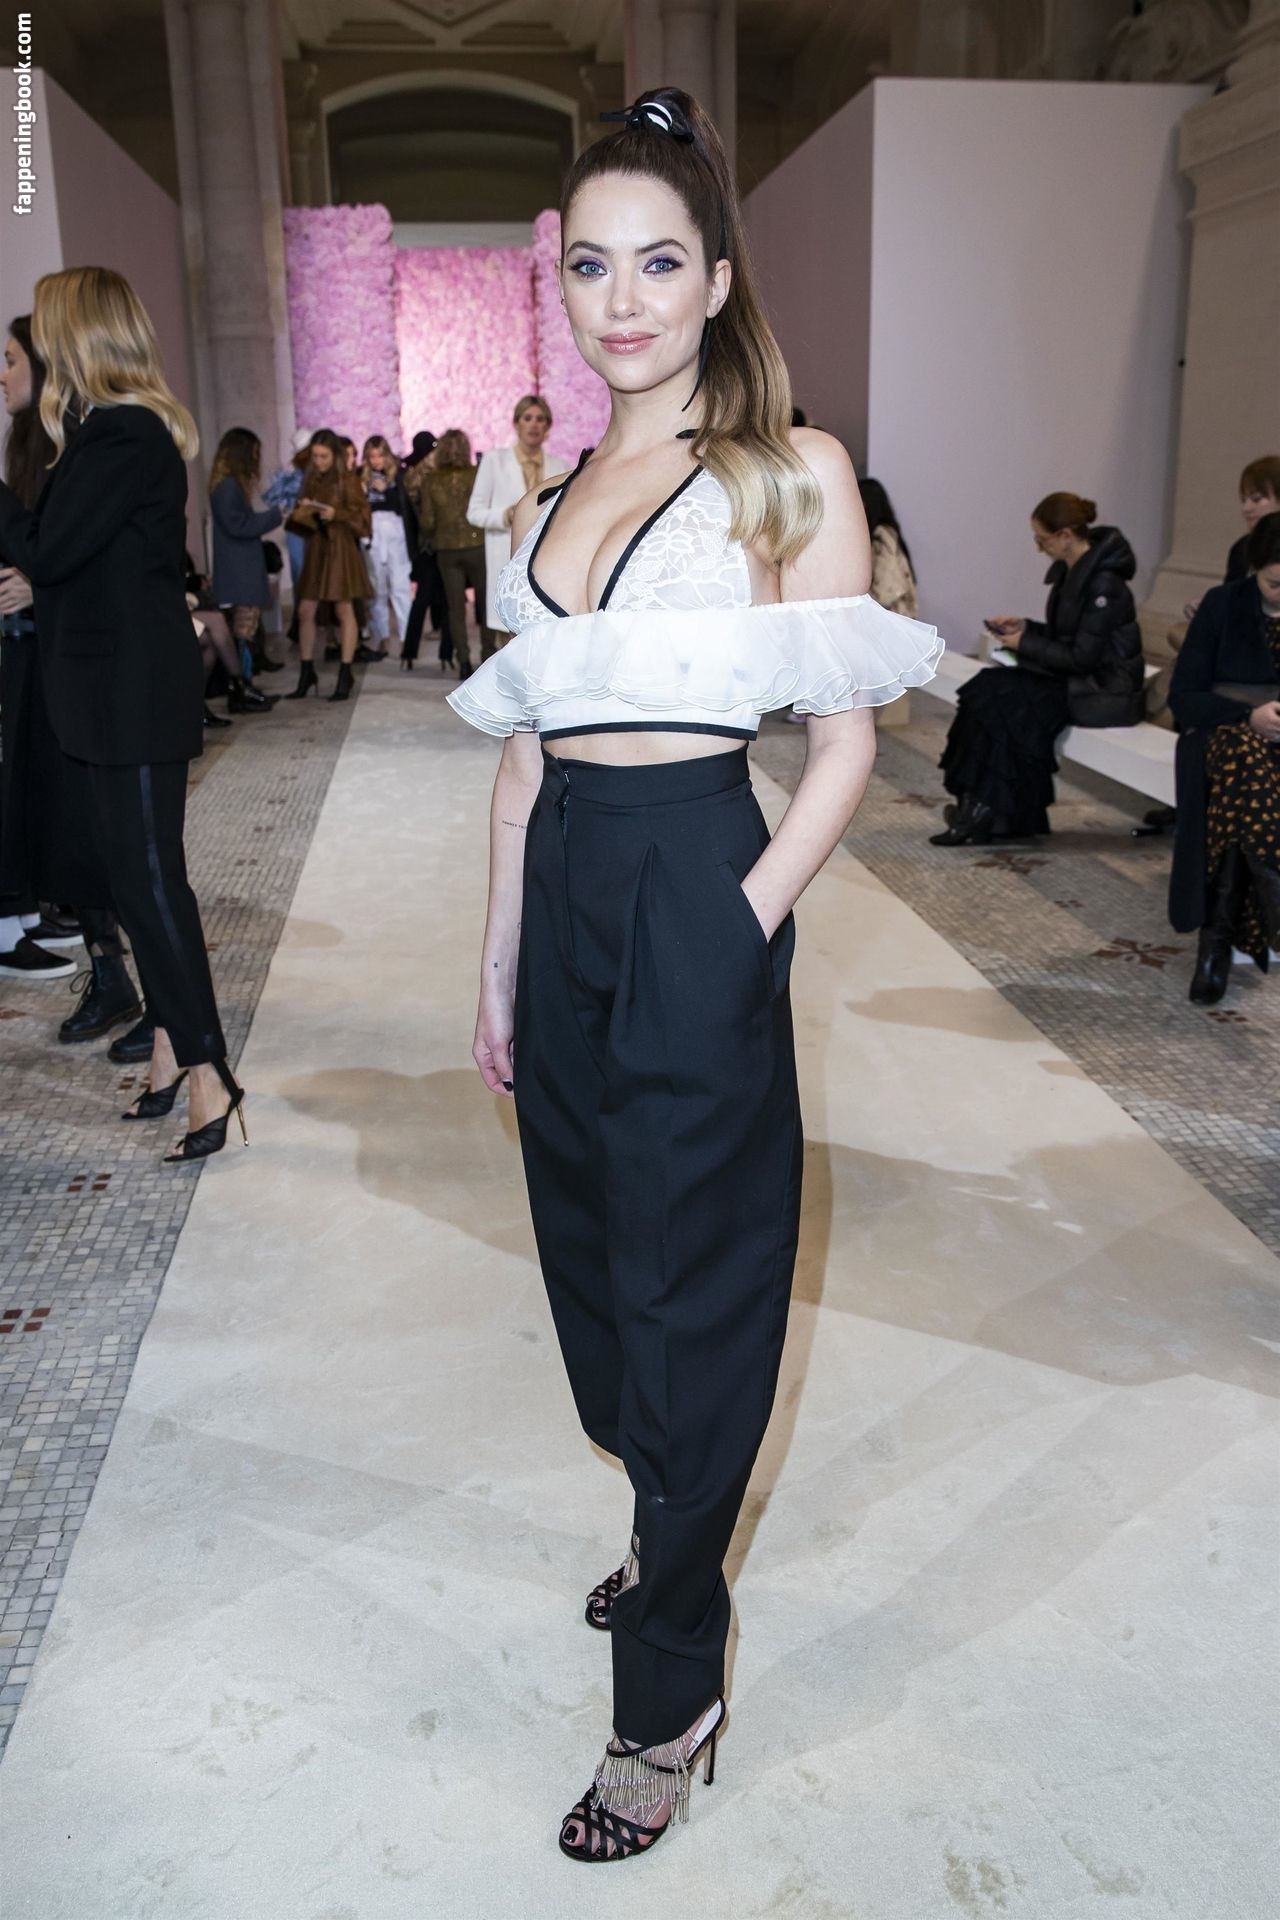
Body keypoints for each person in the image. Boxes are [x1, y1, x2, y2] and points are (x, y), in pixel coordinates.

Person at [445, 88, 941, 1863]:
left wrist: (741, 919)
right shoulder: (552, 490)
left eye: (659, 262)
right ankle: (669, 1510)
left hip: (691, 874)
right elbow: (524, 754)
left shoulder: (784, 469)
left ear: (718, 279)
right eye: (591, 266)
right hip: (569, 877)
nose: (624, 300)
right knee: (590, 1245)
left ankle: (668, 1693)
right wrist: (497, 959)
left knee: (695, 1280)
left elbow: (843, 743)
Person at [0, 266, 246, 1161]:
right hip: (112, 692)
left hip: (130, 694)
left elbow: (48, 550)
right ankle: (174, 1048)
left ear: (80, 336)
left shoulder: (124, 432)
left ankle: (211, 1071)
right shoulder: (105, 433)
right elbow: (77, 560)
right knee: (133, 883)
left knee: (150, 884)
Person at [0, 311, 146, 1036]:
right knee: (68, 825)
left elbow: (68, 550)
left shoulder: (91, 439)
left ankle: (141, 992)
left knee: (105, 834)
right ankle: (109, 973)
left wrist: (37, 582)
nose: (3, 375)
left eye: (11, 360)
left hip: (78, 659)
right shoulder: (32, 440)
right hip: (35, 651)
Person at [931, 492, 1145, 846]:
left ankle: (987, 812)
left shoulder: (1104, 583)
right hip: (1078, 679)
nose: (1039, 548)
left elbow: (1083, 657)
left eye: (1042, 539)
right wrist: (1026, 628)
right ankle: (980, 808)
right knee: (987, 687)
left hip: (1104, 690)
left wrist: (1025, 644)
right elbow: (1070, 638)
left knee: (1007, 701)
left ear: (1065, 535)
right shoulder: (1073, 572)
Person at [1168, 511, 1280, 1004]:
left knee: (1241, 793)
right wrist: (1247, 715)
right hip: (1219, 733)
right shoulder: (1223, 605)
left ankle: (1214, 944)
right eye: (1275, 584)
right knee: (1243, 756)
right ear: (1254, 570)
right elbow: (1184, 696)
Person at [465, 395, 574, 646]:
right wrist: (505, 515)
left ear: (548, 426)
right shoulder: (494, 461)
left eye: (540, 419)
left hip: (546, 563)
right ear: (516, 423)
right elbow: (474, 512)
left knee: (542, 637)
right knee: (506, 641)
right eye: (528, 418)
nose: (534, 424)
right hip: (506, 557)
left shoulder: (560, 466)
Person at [284, 427, 371, 702]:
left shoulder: (348, 481)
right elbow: (301, 523)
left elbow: (364, 523)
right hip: (318, 548)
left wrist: (337, 514)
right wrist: (303, 512)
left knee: (344, 608)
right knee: (305, 610)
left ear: (335, 455)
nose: (319, 461)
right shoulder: (312, 479)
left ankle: (346, 671)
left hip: (340, 549)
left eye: (323, 456)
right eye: (315, 456)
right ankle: (307, 670)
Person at [206, 426, 281, 707]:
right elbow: (239, 526)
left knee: (246, 630)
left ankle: (245, 686)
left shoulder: (227, 485)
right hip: (240, 571)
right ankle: (242, 688)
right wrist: (275, 515)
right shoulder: (228, 486)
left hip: (240, 568)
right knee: (243, 630)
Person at [414, 428, 492, 677]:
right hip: (478, 546)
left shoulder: (431, 480)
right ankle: (488, 657)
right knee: (486, 605)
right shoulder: (477, 475)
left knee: (455, 608)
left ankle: (464, 662)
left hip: (446, 549)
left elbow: (427, 522)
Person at [357, 434, 413, 662]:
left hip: (396, 534)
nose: (376, 461)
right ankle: (382, 635)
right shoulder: (360, 476)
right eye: (372, 456)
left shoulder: (399, 474)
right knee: (376, 588)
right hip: (372, 535)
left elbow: (405, 505)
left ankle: (407, 638)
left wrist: (387, 490)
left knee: (400, 587)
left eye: (380, 455)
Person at [859, 476, 918, 618]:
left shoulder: (882, 536)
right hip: (897, 617)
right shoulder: (887, 533)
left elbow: (885, 590)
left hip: (892, 616)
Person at [1224, 456, 1280, 586]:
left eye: (1256, 499)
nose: (1246, 509)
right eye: (1243, 500)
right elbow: (1232, 594)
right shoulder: (1241, 549)